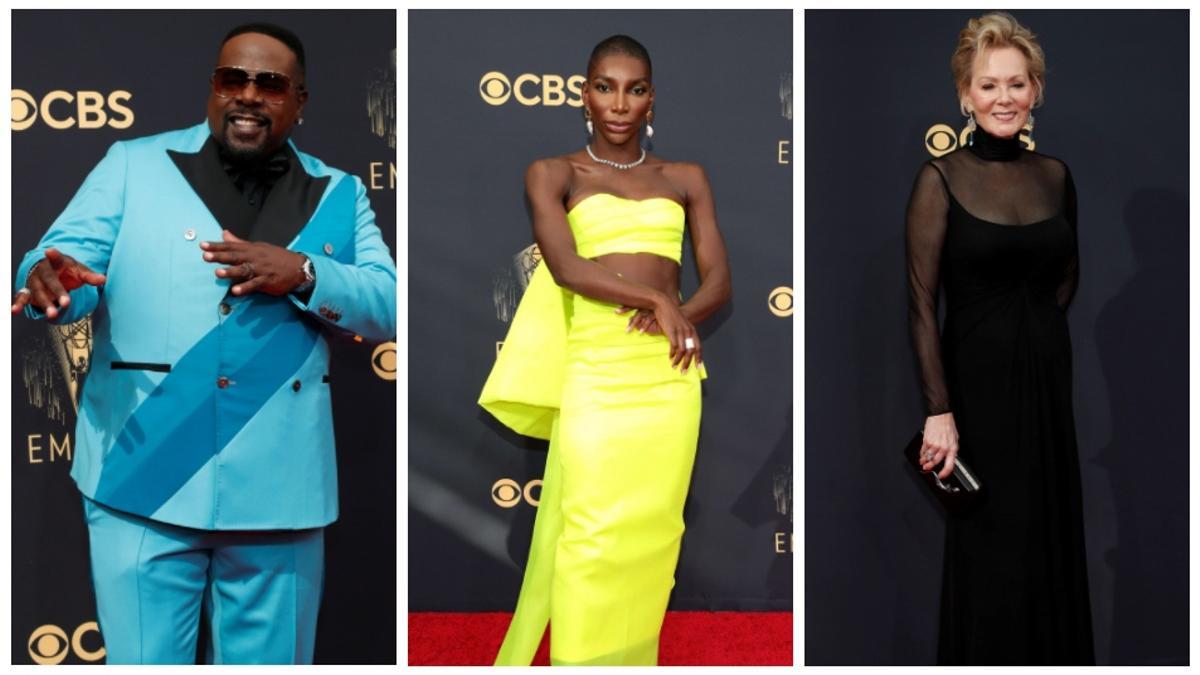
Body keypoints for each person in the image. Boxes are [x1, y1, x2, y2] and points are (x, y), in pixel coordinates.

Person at [10, 23, 396, 664]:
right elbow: (62, 266)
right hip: (141, 475)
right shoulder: (133, 165)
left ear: (300, 100)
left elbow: (386, 305)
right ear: (212, 89)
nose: (247, 95)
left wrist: (303, 272)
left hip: (282, 492)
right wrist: (49, 281)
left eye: (269, 84)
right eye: (231, 79)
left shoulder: (339, 192)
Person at [479, 35, 731, 666]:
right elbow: (564, 268)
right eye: (605, 86)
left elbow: (719, 284)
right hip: (596, 367)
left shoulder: (686, 178)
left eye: (635, 88)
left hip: (669, 370)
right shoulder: (554, 173)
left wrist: (679, 314)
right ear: (584, 94)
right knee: (591, 534)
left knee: (653, 532)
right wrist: (657, 302)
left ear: (651, 100)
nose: (620, 102)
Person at [905, 12, 1094, 665]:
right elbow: (922, 302)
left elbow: (1067, 276)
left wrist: (1033, 332)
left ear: (1036, 90)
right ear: (965, 94)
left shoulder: (1057, 177)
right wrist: (939, 410)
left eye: (1017, 84)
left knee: (1047, 533)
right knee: (992, 546)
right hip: (975, 394)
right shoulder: (941, 179)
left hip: (1047, 382)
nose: (1004, 98)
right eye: (989, 86)